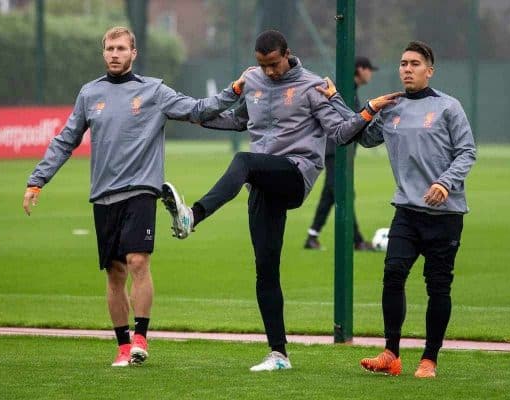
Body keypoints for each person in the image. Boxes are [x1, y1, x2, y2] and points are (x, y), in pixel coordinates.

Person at [160, 30, 400, 371]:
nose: (269, 71)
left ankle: (192, 217)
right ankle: (279, 354)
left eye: (273, 64)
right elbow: (239, 120)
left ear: (287, 54)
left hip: (295, 174)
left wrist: (368, 109)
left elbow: (340, 133)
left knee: (243, 161)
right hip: (262, 180)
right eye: (262, 65)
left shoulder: (313, 86)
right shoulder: (253, 80)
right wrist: (191, 115)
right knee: (265, 270)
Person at [22, 26, 247, 367]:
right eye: (109, 48)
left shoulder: (154, 91)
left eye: (121, 48)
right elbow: (66, 139)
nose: (114, 53)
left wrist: (233, 90)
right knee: (114, 274)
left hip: (142, 190)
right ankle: (123, 346)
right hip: (103, 195)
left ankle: (141, 337)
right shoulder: (89, 94)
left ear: (133, 53)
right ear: (104, 53)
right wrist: (37, 180)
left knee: (138, 262)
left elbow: (199, 110)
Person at [321, 41, 476, 378]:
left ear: (429, 70)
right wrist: (339, 100)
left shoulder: (449, 107)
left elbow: (467, 152)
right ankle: (391, 354)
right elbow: (359, 135)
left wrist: (444, 182)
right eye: (403, 63)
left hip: (445, 215)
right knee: (393, 275)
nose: (407, 68)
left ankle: (429, 359)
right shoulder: (391, 108)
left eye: (415, 63)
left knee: (438, 288)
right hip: (406, 211)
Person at [304, 56, 379, 251]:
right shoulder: (344, 89)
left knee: (331, 192)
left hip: (339, 149)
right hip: (335, 149)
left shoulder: (350, 89)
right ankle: (357, 240)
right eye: (369, 69)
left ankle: (312, 236)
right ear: (360, 69)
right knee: (343, 192)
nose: (371, 73)